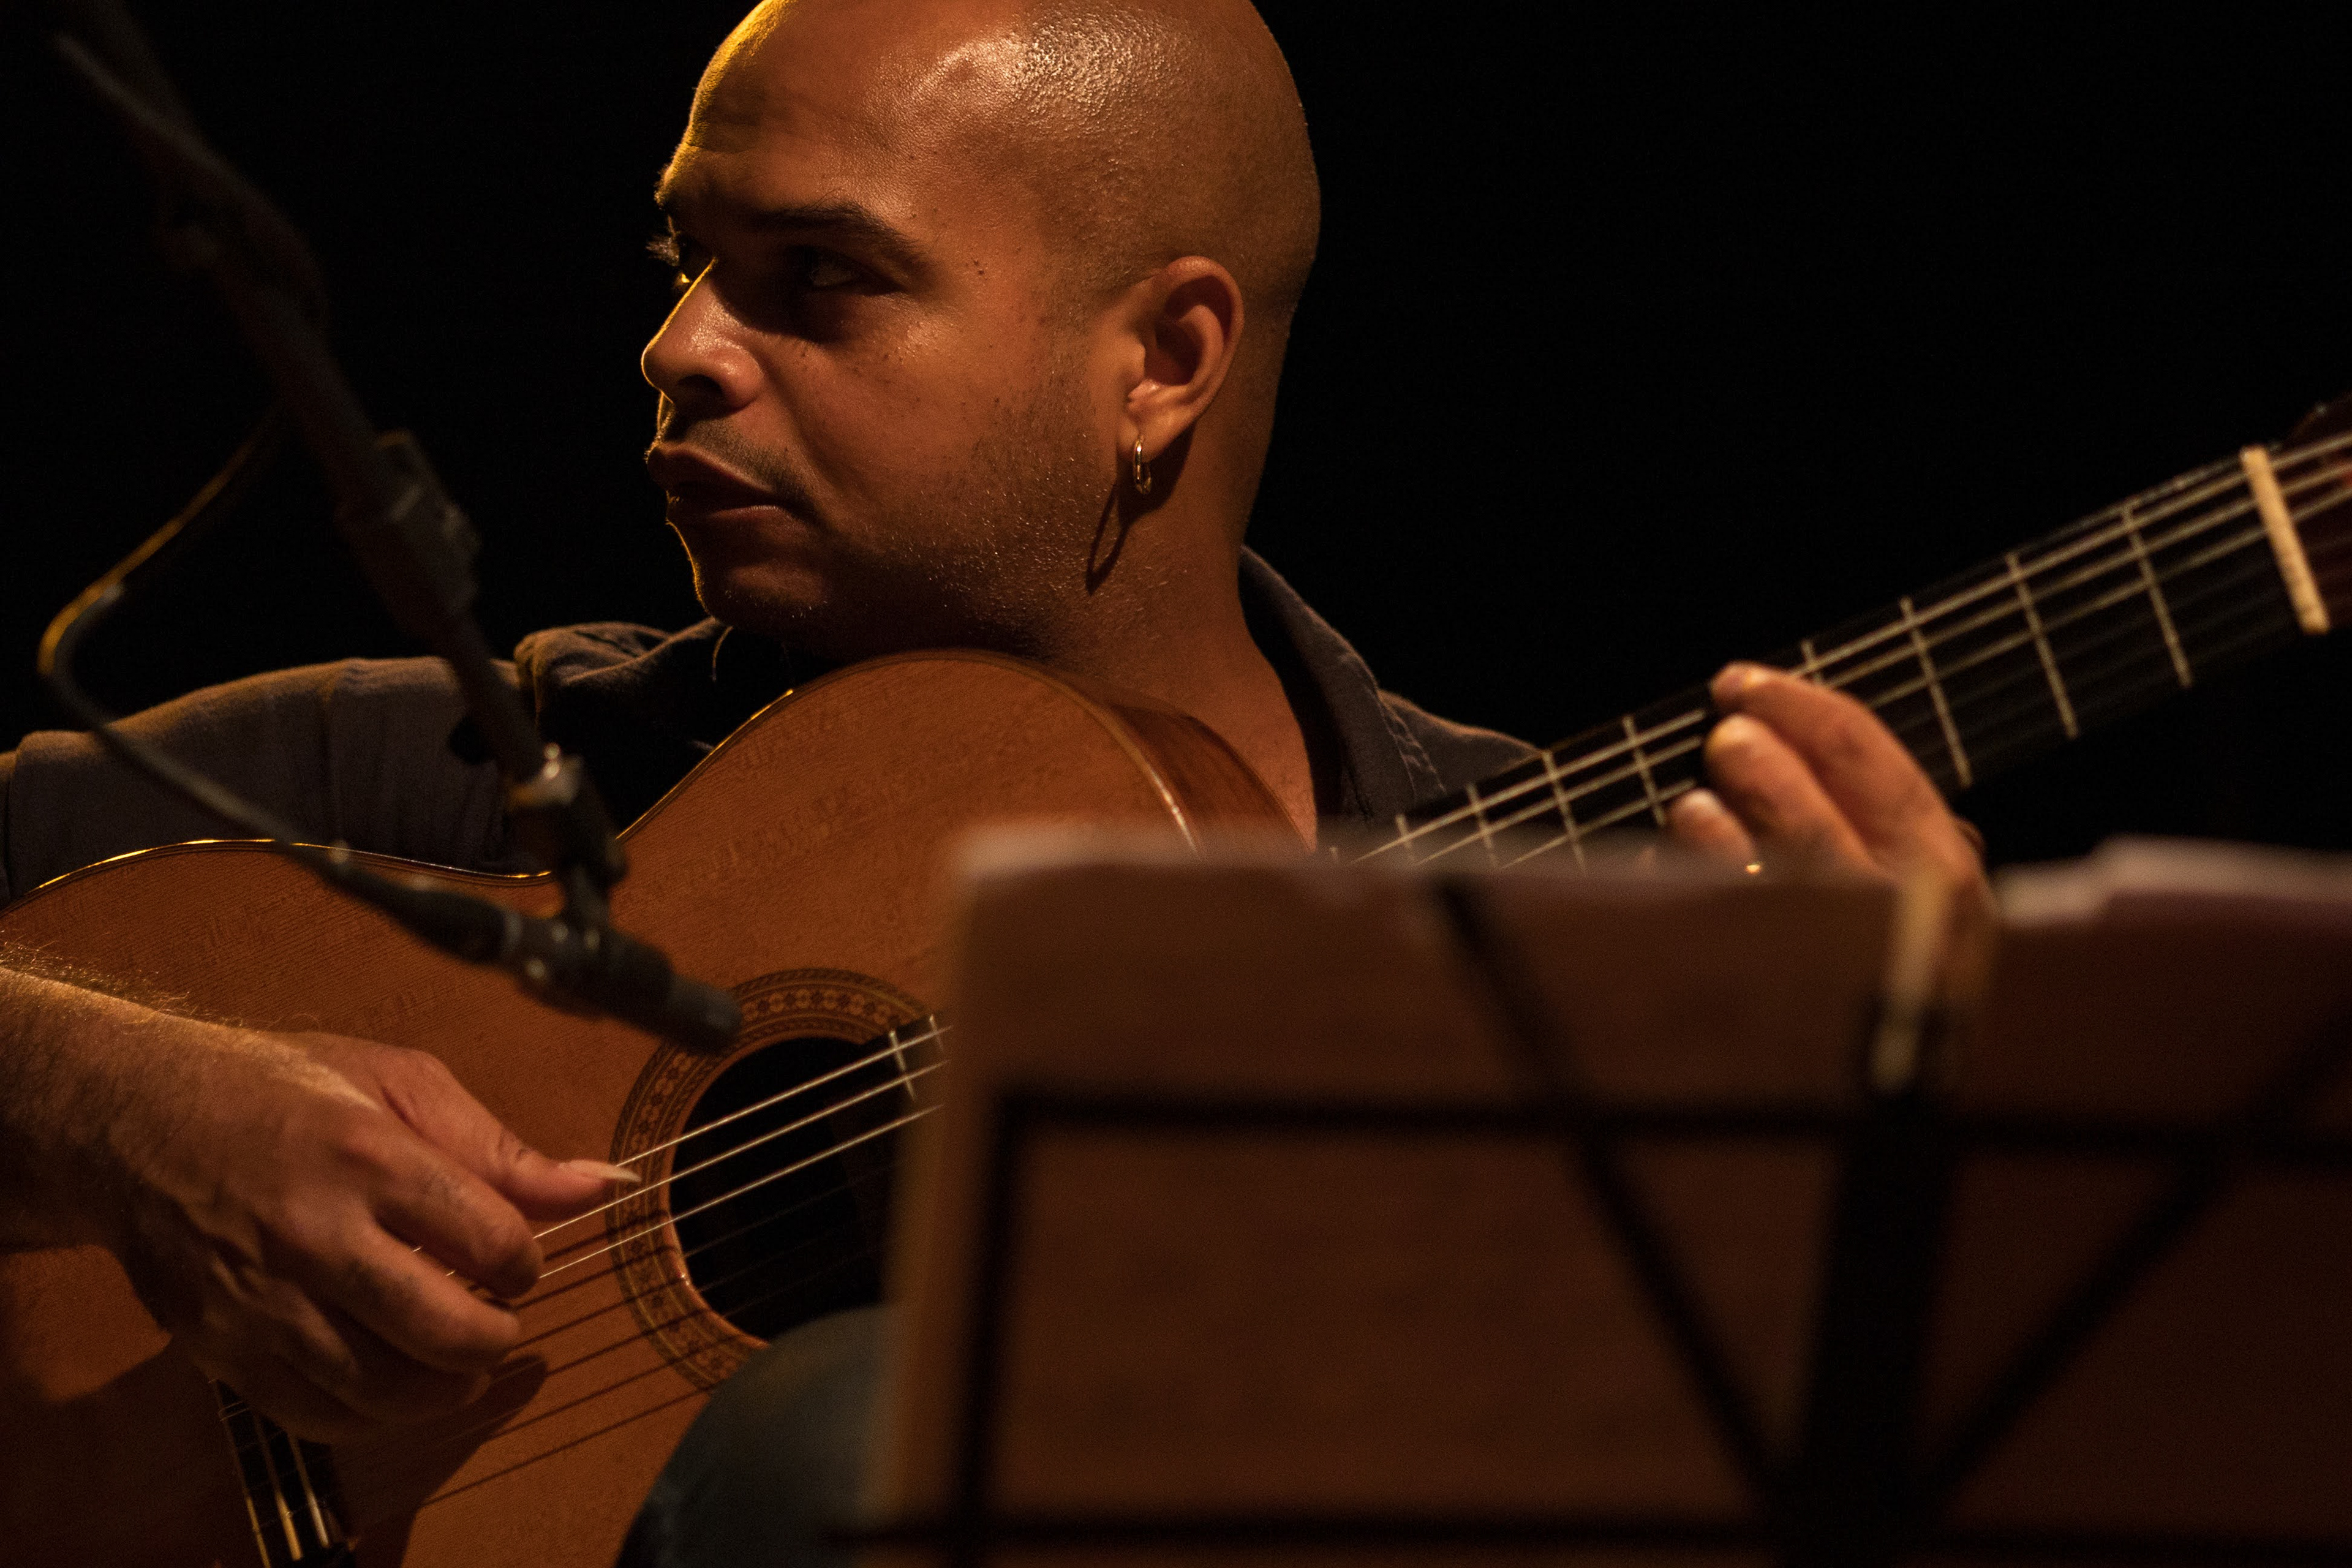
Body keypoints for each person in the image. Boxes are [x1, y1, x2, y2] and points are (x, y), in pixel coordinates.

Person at [0, 0, 1987, 1556]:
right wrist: (130, 1109)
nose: (679, 348)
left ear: (1165, 362)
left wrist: (1909, 1184)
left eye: (818, 278)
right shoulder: (481, 773)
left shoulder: (1577, 914)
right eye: (688, 260)